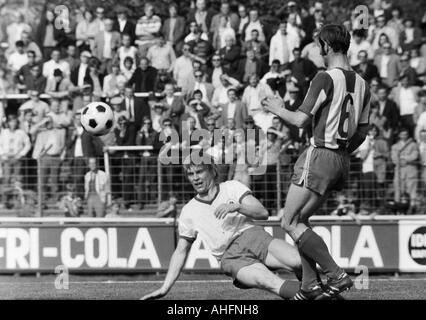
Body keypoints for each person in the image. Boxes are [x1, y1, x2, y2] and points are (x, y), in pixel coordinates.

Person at [263, 24, 371, 299]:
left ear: (327, 45)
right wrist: (342, 151)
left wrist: (276, 108)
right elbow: (362, 132)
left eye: (319, 45)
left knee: (288, 222)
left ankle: (337, 274)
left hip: (320, 154)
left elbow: (300, 119)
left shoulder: (325, 78)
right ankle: (310, 284)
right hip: (341, 160)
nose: (318, 51)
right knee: (301, 220)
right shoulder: (363, 84)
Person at [141, 158, 304, 300]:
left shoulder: (231, 187)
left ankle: (314, 289)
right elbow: (180, 251)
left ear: (212, 170)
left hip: (253, 236)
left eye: (199, 172)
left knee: (298, 262)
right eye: (191, 174)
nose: (195, 178)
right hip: (231, 256)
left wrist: (237, 207)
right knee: (269, 281)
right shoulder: (188, 211)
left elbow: (262, 213)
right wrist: (165, 288)